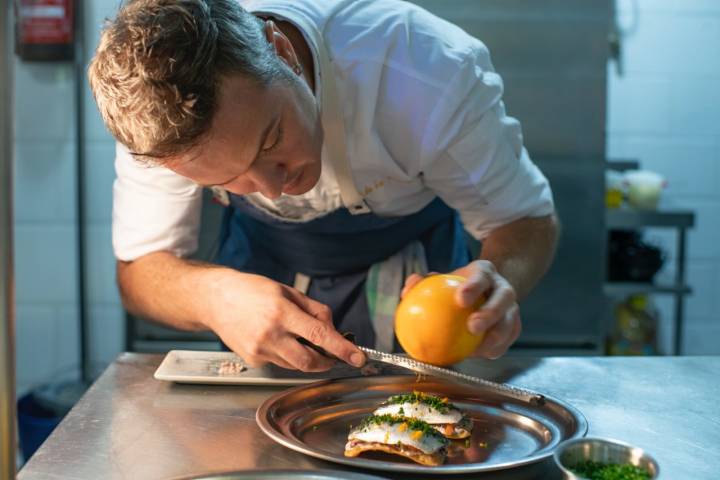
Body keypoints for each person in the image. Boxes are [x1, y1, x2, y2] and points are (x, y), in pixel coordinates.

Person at [88, 0, 559, 373]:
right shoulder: (154, 120)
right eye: (227, 180)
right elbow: (139, 273)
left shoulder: (425, 70)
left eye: (271, 140)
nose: (272, 189)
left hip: (416, 263)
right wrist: (215, 297)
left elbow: (525, 221)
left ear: (283, 54)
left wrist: (497, 284)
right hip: (263, 264)